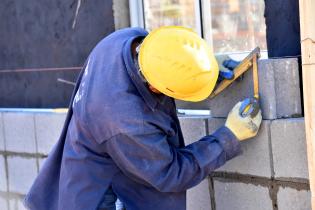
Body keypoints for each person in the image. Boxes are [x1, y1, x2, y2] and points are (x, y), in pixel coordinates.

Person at [24, 26, 262, 210]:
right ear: (157, 89)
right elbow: (171, 173)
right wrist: (229, 136)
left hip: (96, 155)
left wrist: (202, 69)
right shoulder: (125, 121)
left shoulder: (125, 40)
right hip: (95, 196)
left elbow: (168, 61)